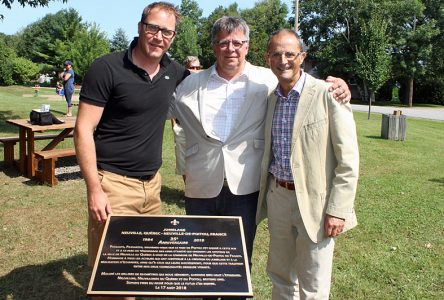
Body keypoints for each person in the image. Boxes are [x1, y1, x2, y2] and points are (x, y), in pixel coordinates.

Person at [173, 16, 351, 300]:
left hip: (247, 187)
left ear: (248, 47)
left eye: (237, 42)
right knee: (205, 262)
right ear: (214, 46)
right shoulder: (191, 84)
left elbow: (346, 156)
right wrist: (183, 166)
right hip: (206, 185)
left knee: (240, 264)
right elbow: (179, 128)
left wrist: (339, 86)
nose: (230, 48)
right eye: (223, 42)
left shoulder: (269, 80)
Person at [74, 4, 188, 300]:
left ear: (173, 37)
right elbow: (83, 129)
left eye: (167, 31)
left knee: (143, 272)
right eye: (152, 28)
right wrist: (94, 190)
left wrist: (322, 84)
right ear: (139, 27)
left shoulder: (173, 71)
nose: (158, 36)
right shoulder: (106, 68)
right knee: (112, 279)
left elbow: (216, 81)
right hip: (113, 186)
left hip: (152, 188)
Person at [256, 29, 359, 299]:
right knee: (279, 276)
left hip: (316, 203)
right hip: (278, 197)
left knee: (313, 284)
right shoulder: (271, 99)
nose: (283, 60)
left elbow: (348, 160)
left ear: (302, 56)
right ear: (268, 58)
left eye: (290, 53)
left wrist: (338, 210)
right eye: (276, 54)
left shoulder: (328, 94)